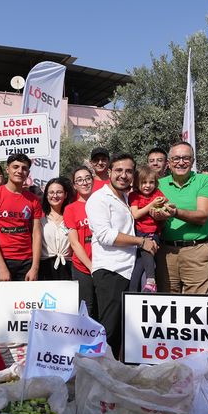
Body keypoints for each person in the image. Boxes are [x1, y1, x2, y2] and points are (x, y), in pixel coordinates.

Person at [87, 153, 158, 357]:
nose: (123, 175)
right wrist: (142, 241)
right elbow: (105, 235)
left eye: (128, 171)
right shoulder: (99, 199)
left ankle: (115, 378)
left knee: (123, 332)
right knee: (109, 330)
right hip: (111, 271)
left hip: (130, 270)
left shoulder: (128, 198)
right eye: (119, 170)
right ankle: (98, 379)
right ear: (109, 172)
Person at [157, 141, 208, 294]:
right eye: (176, 158)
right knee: (168, 303)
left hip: (196, 251)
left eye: (186, 158)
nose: (181, 162)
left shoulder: (205, 181)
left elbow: (202, 216)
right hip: (166, 252)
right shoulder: (158, 184)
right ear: (169, 162)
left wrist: (175, 212)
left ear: (193, 161)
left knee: (197, 304)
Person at [0, 153, 43, 284]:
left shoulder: (33, 200)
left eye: (24, 168)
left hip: (27, 261)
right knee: (3, 304)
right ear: (7, 169)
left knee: (26, 303)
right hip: (2, 261)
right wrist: (1, 266)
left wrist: (35, 267)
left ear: (28, 172)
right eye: (15, 167)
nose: (20, 171)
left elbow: (36, 234)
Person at [128, 165, 169, 292]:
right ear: (137, 183)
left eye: (151, 182)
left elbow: (166, 203)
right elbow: (135, 214)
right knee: (139, 264)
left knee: (147, 251)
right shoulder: (134, 196)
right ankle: (132, 291)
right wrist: (151, 205)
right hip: (139, 233)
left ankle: (151, 280)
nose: (147, 185)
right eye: (144, 182)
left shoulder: (157, 194)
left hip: (153, 232)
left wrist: (163, 209)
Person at [64, 166, 96, 318]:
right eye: (79, 180)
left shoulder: (102, 203)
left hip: (105, 265)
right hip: (83, 267)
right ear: (75, 185)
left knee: (104, 306)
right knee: (86, 307)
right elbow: (75, 243)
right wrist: (90, 267)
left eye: (87, 178)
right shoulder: (70, 209)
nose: (84, 183)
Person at [40, 177, 74, 281]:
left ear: (65, 195)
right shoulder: (40, 218)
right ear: (46, 195)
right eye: (51, 192)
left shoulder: (71, 216)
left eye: (59, 192)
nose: (55, 195)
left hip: (68, 267)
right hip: (45, 267)